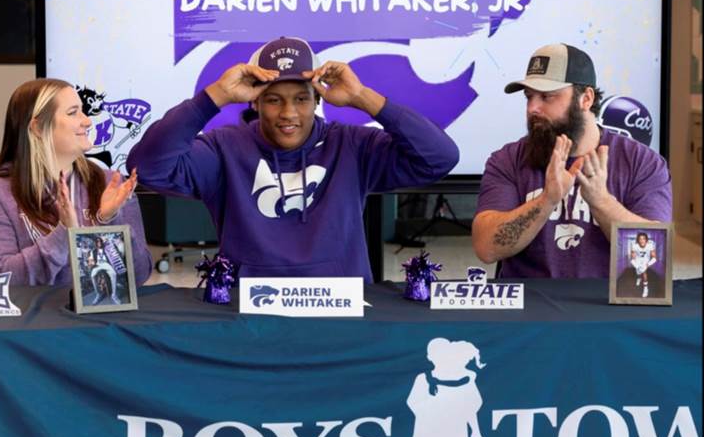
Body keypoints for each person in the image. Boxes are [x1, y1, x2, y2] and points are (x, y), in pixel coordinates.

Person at [127, 37, 459, 282]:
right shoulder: (224, 147)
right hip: (250, 311)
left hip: (341, 310)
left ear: (317, 99)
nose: (289, 113)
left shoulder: (352, 145)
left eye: (301, 99)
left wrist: (362, 97)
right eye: (273, 100)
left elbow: (439, 157)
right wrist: (214, 96)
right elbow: (149, 168)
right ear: (254, 102)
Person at [472, 44, 671, 278]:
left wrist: (602, 202)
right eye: (529, 97)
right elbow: (486, 248)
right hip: (530, 305)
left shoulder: (641, 162)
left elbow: (656, 258)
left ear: (586, 99)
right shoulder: (508, 160)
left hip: (603, 304)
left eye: (546, 96)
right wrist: (547, 200)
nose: (532, 108)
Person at [0, 78, 152, 286]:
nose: (87, 121)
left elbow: (138, 275)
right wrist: (64, 233)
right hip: (38, 318)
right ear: (37, 128)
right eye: (73, 113)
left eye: (83, 111)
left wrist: (110, 221)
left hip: (103, 318)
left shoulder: (111, 183)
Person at [630, 232, 657, 298]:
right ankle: (639, 278)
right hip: (638, 260)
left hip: (646, 260)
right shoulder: (634, 246)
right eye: (640, 239)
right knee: (638, 272)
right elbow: (632, 259)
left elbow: (654, 258)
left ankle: (645, 288)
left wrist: (647, 264)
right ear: (638, 240)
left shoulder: (650, 245)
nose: (642, 240)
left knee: (644, 272)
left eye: (643, 239)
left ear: (646, 240)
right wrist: (637, 266)